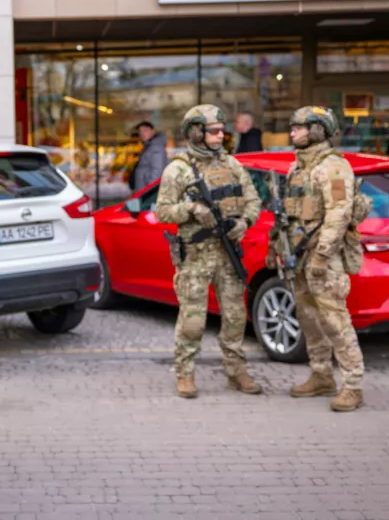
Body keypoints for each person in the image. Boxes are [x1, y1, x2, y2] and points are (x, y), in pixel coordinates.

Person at [155, 105, 263, 399]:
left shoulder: (232, 165)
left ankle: (236, 371)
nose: (221, 135)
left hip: (228, 254)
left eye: (222, 130)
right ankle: (185, 373)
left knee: (235, 316)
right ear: (196, 132)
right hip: (196, 254)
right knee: (192, 319)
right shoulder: (178, 169)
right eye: (214, 131)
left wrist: (245, 222)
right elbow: (162, 211)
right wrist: (191, 209)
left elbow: (253, 200)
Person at [269, 106, 368, 412]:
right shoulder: (297, 168)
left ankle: (353, 384)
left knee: (335, 319)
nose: (292, 132)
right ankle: (321, 374)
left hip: (323, 258)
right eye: (292, 127)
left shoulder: (333, 167)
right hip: (298, 255)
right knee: (309, 317)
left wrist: (323, 255)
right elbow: (287, 213)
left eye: (298, 127)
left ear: (316, 130)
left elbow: (339, 214)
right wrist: (276, 246)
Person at [131, 121, 168, 192]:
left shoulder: (156, 147)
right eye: (140, 131)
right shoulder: (148, 147)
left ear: (153, 131)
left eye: (145, 130)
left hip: (147, 192)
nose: (142, 133)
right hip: (143, 190)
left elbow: (157, 171)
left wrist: (149, 191)